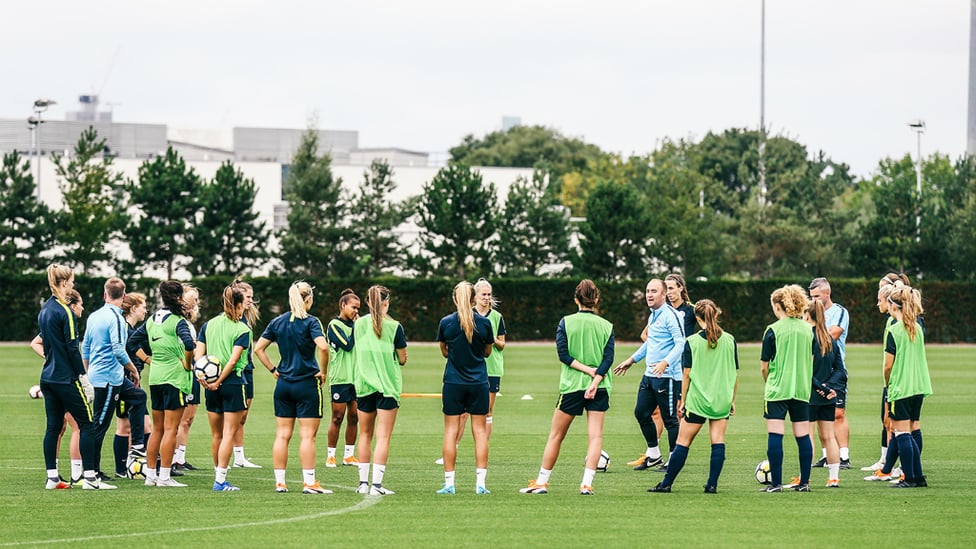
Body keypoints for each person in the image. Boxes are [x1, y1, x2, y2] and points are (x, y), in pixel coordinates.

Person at [521, 279, 614, 496]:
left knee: (556, 435)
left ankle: (542, 483)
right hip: (599, 386)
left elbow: (564, 356)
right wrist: (595, 378)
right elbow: (608, 359)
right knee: (595, 437)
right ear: (596, 299)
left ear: (576, 299)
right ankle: (586, 485)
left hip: (572, 386)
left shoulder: (566, 322)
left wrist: (587, 372)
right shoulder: (607, 325)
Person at [648, 299, 738, 494]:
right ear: (716, 314)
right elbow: (734, 373)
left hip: (698, 401)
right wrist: (731, 399)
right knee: (718, 440)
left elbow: (686, 374)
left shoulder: (692, 342)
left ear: (697, 318)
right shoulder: (730, 340)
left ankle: (666, 483)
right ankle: (712, 485)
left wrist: (682, 400)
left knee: (683, 442)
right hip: (721, 399)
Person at [253, 281, 332, 494]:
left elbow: (258, 348)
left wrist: (273, 369)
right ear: (308, 299)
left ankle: (280, 482)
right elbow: (323, 347)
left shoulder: (278, 322)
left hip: (284, 385)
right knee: (307, 436)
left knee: (282, 435)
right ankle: (309, 483)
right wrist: (323, 371)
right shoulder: (311, 322)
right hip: (306, 383)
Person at [81, 277, 148, 486]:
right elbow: (119, 350)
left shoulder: (94, 316)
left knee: (138, 396)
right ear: (124, 295)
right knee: (99, 425)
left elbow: (85, 348)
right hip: (108, 379)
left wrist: (86, 373)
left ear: (104, 294)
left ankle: (137, 444)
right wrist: (133, 370)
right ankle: (93, 471)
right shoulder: (116, 318)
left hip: (101, 375)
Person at [613, 278, 685, 471]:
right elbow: (651, 343)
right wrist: (632, 360)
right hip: (650, 375)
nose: (649, 295)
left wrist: (665, 362)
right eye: (647, 291)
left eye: (654, 291)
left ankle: (674, 458)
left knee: (670, 419)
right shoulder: (653, 315)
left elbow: (681, 344)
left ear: (664, 295)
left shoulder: (672, 315)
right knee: (641, 413)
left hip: (668, 376)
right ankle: (653, 454)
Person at [34, 271, 98, 490]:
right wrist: (83, 376)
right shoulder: (65, 312)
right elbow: (72, 347)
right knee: (87, 424)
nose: (73, 284)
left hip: (47, 378)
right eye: (71, 281)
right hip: (65, 378)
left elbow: (47, 345)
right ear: (63, 282)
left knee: (53, 428)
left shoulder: (45, 309)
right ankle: (89, 478)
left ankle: (52, 478)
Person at [436, 278, 507, 465]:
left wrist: (490, 339)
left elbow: (500, 344)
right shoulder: (477, 320)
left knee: (485, 414)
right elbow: (486, 350)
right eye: (484, 294)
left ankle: (454, 471)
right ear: (474, 297)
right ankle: (475, 470)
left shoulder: (494, 318)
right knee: (470, 419)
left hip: (482, 372)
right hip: (478, 374)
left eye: (489, 294)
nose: (487, 298)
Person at [134, 280, 196, 487]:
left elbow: (131, 342)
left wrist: (149, 360)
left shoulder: (152, 319)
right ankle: (165, 477)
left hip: (156, 378)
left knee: (158, 429)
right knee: (171, 429)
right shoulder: (178, 321)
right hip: (174, 379)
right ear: (178, 298)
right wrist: (187, 364)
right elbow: (189, 344)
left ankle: (150, 476)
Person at [759, 284, 814, 493]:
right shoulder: (808, 330)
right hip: (801, 389)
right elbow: (811, 359)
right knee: (802, 435)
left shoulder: (772, 330)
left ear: (778, 306)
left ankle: (776, 484)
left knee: (775, 434)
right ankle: (805, 483)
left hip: (777, 389)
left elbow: (764, 366)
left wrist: (770, 380)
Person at [354, 285, 408, 496]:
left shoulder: (358, 324)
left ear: (367, 302)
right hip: (387, 386)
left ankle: (363, 483)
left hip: (364, 385)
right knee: (383, 437)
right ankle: (376, 485)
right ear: (386, 303)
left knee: (365, 435)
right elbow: (402, 358)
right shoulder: (395, 327)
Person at [197, 284, 252, 491]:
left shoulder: (208, 324)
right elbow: (232, 361)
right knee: (229, 433)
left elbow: (198, 355)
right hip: (233, 383)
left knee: (216, 435)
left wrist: (203, 378)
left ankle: (218, 475)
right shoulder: (243, 329)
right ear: (239, 305)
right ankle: (220, 480)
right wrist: (219, 381)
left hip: (209, 384)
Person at [792, 298, 845, 489]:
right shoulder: (830, 339)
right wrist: (829, 387)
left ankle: (804, 477)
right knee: (829, 437)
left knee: (809, 437)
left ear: (807, 315)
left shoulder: (807, 337)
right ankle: (833, 478)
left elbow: (806, 371)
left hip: (810, 395)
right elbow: (840, 369)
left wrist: (821, 388)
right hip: (828, 396)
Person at [882, 286, 932, 488]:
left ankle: (910, 477)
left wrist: (888, 385)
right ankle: (918, 476)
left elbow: (888, 366)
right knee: (912, 430)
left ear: (894, 306)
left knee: (901, 433)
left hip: (901, 387)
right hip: (918, 386)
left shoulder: (893, 330)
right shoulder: (917, 328)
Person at [808, 277, 851, 469]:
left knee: (838, 413)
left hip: (834, 369)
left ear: (827, 293)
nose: (814, 300)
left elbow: (833, 333)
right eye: (811, 297)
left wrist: (812, 328)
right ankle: (827, 455)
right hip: (815, 371)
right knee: (819, 417)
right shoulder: (810, 313)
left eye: (817, 296)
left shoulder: (839, 312)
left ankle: (844, 456)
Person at [116, 292, 152, 479]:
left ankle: (136, 466)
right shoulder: (124, 329)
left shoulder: (133, 330)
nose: (146, 310)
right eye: (143, 306)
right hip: (124, 381)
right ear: (133, 308)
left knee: (141, 424)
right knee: (124, 426)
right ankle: (124, 468)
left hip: (132, 381)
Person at [326, 289, 360, 468]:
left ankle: (349, 455)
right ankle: (331, 455)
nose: (356, 311)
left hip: (356, 378)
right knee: (337, 417)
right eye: (353, 307)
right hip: (340, 377)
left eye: (358, 308)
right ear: (343, 306)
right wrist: (357, 326)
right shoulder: (334, 325)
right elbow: (347, 345)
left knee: (354, 416)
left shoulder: (357, 325)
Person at [232, 278, 262, 469]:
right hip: (238, 370)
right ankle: (232, 456)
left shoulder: (246, 318)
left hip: (249, 369)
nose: (251, 300)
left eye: (252, 297)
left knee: (243, 416)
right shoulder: (233, 319)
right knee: (235, 415)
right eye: (248, 297)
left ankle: (239, 457)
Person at [172, 285, 200, 475]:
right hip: (184, 374)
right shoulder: (178, 323)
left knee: (188, 419)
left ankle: (181, 457)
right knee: (181, 420)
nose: (197, 304)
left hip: (194, 374)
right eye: (194, 300)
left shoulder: (189, 324)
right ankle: (173, 458)